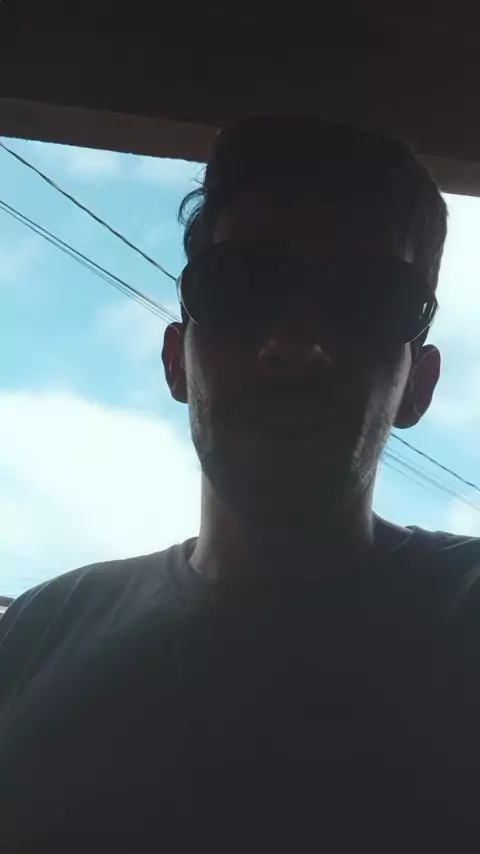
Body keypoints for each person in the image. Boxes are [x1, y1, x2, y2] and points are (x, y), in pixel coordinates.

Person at [1, 115, 479, 852]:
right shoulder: (35, 633)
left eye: (368, 297)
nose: (294, 343)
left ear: (420, 385)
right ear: (175, 361)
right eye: (241, 286)